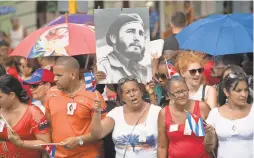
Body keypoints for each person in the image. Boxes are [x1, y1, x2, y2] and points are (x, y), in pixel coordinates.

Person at [45, 57, 107, 158]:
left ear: (73, 75)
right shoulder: (51, 93)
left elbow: (101, 131)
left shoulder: (93, 96)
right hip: (58, 155)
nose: (54, 79)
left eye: (59, 75)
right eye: (54, 75)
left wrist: (79, 140)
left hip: (87, 155)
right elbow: (50, 125)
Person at [91, 76, 162, 158]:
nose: (132, 94)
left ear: (141, 92)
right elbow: (97, 134)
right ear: (123, 98)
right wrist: (96, 112)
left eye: (134, 90)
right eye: (127, 92)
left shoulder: (157, 111)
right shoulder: (116, 113)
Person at [157, 76, 211, 158]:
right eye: (177, 92)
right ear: (169, 95)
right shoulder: (164, 113)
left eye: (184, 91)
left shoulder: (202, 107)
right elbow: (162, 147)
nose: (182, 95)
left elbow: (215, 136)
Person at [0, 74, 50, 158]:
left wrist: (21, 143)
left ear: (12, 95)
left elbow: (46, 144)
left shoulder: (33, 113)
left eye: (0, 97)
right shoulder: (0, 111)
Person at [205, 72, 253, 158]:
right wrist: (209, 135)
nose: (244, 94)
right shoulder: (215, 114)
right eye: (238, 90)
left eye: (246, 90)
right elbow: (209, 148)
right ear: (226, 92)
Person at [98, 13, 149, 83]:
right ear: (114, 38)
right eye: (131, 32)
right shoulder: (103, 67)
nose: (137, 38)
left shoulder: (143, 70)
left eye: (141, 34)